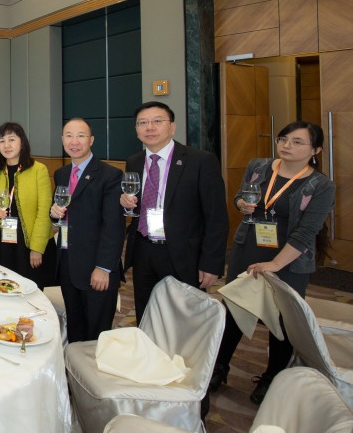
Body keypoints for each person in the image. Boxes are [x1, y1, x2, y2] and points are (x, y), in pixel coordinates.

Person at [209, 121, 335, 404]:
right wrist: (241, 204)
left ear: (315, 150)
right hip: (249, 247)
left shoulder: (320, 185)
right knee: (235, 308)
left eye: (297, 142)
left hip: (289, 257)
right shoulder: (259, 166)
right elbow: (240, 196)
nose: (287, 145)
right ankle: (219, 367)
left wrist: (276, 264)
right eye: (283, 139)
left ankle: (272, 377)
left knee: (283, 319)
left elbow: (306, 232)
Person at [120, 101, 229, 320]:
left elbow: (216, 217)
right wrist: (124, 201)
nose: (150, 127)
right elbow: (138, 203)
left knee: (184, 319)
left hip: (184, 254)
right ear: (137, 130)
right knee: (146, 314)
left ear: (172, 127)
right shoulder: (134, 162)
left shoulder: (200, 161)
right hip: (143, 249)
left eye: (157, 121)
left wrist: (211, 263)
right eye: (143, 123)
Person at [48, 118, 123, 342]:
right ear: (62, 139)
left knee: (96, 335)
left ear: (91, 140)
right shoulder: (61, 174)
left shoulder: (110, 175)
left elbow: (114, 226)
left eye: (81, 136)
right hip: (68, 264)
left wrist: (103, 267)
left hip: (95, 269)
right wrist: (54, 213)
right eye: (69, 136)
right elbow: (60, 216)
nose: (74, 141)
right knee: (75, 328)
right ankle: (74, 365)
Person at [0, 122, 56, 288]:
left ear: (22, 142)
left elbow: (44, 211)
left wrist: (37, 248)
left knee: (30, 289)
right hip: (3, 243)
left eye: (11, 139)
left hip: (29, 243)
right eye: (2, 141)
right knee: (3, 288)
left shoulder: (38, 170)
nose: (6, 145)